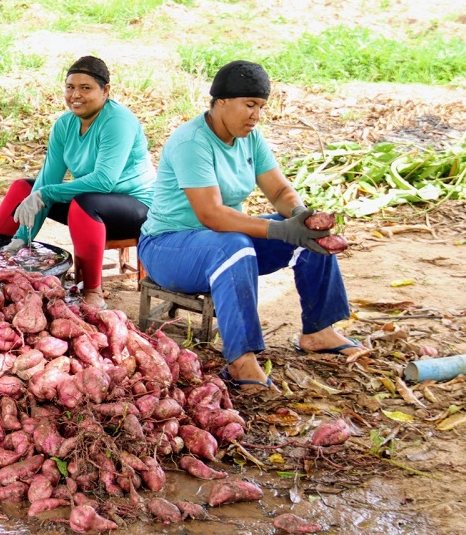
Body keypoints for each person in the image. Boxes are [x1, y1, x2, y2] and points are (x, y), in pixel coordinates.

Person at [138, 60, 360, 393]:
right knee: (236, 245)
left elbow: (280, 191)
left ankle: (319, 331)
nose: (256, 115)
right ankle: (241, 360)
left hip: (221, 240)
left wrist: (300, 217)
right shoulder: (192, 142)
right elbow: (211, 214)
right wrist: (280, 230)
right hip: (168, 247)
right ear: (221, 102)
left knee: (312, 237)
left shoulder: (250, 138)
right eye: (250, 105)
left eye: (261, 107)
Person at [0, 56, 156, 309]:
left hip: (136, 208)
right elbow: (48, 178)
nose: (75, 95)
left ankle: (92, 291)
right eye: (70, 87)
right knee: (23, 188)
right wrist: (21, 238)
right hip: (93, 205)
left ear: (105, 90)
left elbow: (104, 181)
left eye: (85, 88)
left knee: (82, 202)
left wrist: (45, 194)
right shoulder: (65, 124)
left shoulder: (118, 122)